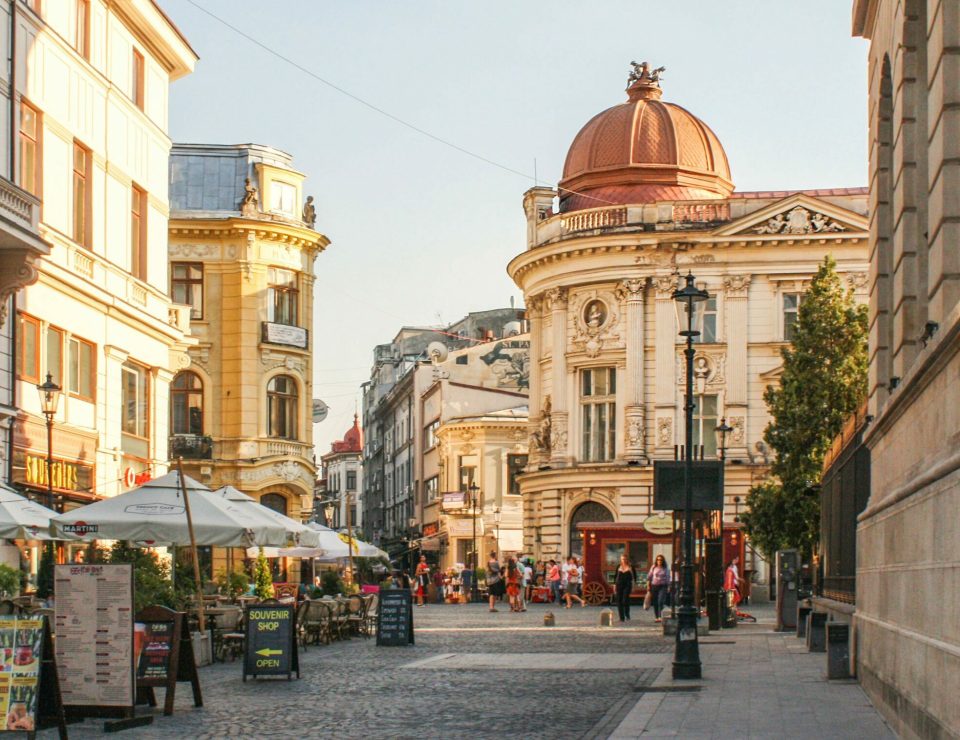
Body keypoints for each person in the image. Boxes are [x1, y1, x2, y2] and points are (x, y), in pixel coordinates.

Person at [647, 554, 671, 622]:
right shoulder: (654, 567)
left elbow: (668, 577)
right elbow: (649, 576)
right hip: (654, 586)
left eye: (660, 560)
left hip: (663, 586)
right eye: (658, 560)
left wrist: (669, 586)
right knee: (655, 602)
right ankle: (656, 616)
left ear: (663, 561)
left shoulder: (665, 568)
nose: (659, 561)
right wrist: (648, 586)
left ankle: (660, 616)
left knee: (660, 601)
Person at [615, 555, 635, 623]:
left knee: (625, 600)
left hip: (627, 585)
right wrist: (614, 586)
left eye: (625, 559)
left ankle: (627, 613)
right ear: (620, 560)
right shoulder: (618, 567)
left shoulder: (630, 567)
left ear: (627, 559)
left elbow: (634, 577)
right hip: (619, 585)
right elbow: (615, 577)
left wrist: (633, 586)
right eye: (622, 559)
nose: (623, 560)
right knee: (619, 601)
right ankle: (621, 617)